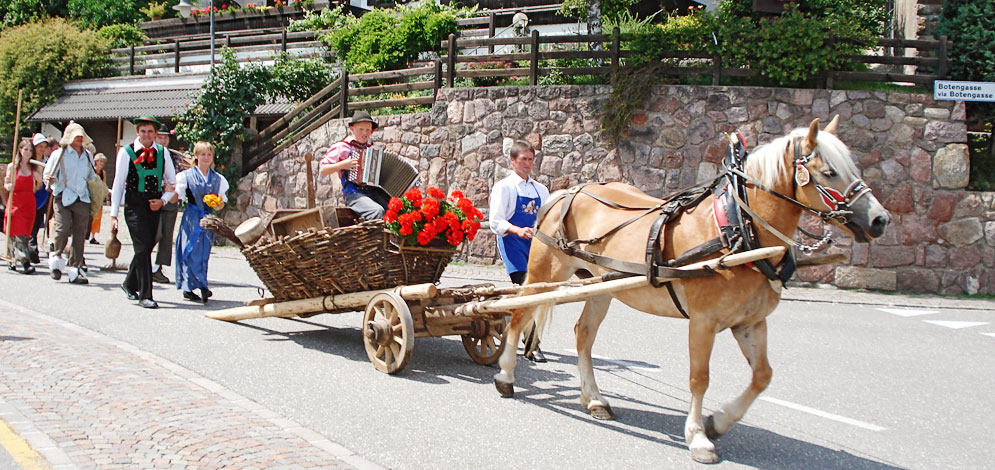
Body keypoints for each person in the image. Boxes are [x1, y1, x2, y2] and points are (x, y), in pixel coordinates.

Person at [488, 140, 550, 362]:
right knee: (525, 291)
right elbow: (495, 221)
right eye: (523, 159)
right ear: (512, 161)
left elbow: (546, 220)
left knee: (538, 291)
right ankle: (532, 344)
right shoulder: (504, 187)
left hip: (535, 246)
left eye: (531, 159)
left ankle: (518, 328)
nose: (527, 164)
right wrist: (517, 230)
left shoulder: (541, 190)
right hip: (513, 244)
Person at [110, 116, 177, 309]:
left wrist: (162, 201)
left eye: (150, 132)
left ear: (155, 134)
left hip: (154, 205)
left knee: (146, 246)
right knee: (142, 248)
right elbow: (118, 184)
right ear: (137, 132)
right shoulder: (126, 152)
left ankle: (129, 283)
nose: (146, 136)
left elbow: (172, 183)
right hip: (134, 206)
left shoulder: (162, 153)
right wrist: (114, 214)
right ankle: (145, 294)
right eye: (143, 131)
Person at [172, 141, 228, 303]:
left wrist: (217, 203)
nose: (206, 157)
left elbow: (221, 204)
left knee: (204, 251)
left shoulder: (218, 179)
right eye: (202, 154)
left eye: (209, 154)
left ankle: (202, 284)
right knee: (189, 249)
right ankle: (188, 287)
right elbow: (177, 196)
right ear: (196, 156)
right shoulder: (185, 176)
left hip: (208, 219)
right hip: (192, 216)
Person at [43, 122, 98, 284]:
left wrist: (99, 187)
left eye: (81, 136)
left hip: (82, 198)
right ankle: (56, 258)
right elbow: (48, 173)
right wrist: (50, 179)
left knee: (80, 234)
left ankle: (76, 268)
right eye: (76, 136)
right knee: (62, 229)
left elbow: (91, 176)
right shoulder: (59, 154)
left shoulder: (87, 155)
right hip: (63, 196)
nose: (80, 139)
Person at [319, 111, 389, 221]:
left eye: (368, 130)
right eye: (361, 129)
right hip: (353, 194)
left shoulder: (371, 150)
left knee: (394, 209)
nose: (365, 133)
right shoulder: (342, 147)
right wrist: (343, 165)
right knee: (377, 211)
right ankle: (374, 238)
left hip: (372, 192)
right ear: (352, 128)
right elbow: (323, 169)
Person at [4, 139, 42, 273]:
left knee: (24, 233)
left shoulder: (34, 168)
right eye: (25, 149)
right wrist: (9, 186)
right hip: (15, 202)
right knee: (16, 231)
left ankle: (11, 258)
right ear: (20, 150)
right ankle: (25, 262)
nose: (28, 152)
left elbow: (39, 186)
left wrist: (41, 180)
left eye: (30, 150)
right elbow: (6, 183)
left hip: (28, 203)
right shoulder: (13, 167)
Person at [152, 123, 179, 284]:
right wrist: (163, 186)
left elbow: (179, 176)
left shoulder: (173, 155)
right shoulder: (151, 154)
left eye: (165, 138)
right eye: (159, 138)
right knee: (156, 233)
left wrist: (176, 191)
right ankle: (146, 264)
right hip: (155, 199)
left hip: (171, 199)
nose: (162, 141)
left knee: (167, 236)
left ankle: (158, 268)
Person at [28, 133, 50, 264]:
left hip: (42, 195)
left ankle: (32, 246)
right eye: (39, 146)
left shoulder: (46, 162)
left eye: (44, 146)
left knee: (36, 222)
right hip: (30, 194)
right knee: (29, 223)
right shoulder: (29, 162)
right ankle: (30, 248)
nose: (42, 149)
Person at [87, 153, 108, 244]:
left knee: (97, 216)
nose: (102, 163)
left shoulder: (103, 173)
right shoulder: (91, 171)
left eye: (103, 162)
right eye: (100, 161)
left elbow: (104, 185)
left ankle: (93, 236)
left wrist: (107, 198)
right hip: (91, 195)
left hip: (99, 197)